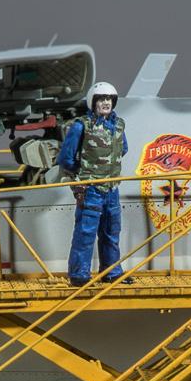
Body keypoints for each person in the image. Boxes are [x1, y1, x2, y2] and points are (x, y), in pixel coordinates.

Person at [57, 81, 128, 286]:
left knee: (112, 231)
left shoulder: (119, 124)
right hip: (90, 189)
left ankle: (112, 271)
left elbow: (123, 148)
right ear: (93, 101)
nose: (106, 102)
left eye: (109, 99)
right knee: (85, 233)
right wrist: (84, 173)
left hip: (112, 188)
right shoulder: (81, 125)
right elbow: (66, 158)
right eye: (101, 99)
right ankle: (79, 274)